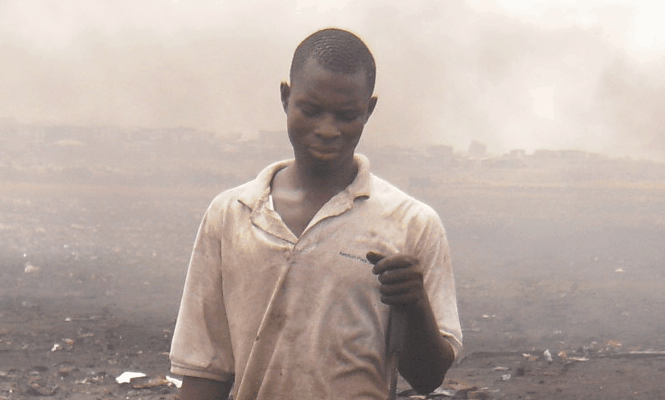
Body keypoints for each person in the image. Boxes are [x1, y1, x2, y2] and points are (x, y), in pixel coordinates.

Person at [169, 28, 461, 400]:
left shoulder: (411, 224)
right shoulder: (232, 214)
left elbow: (427, 377)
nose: (327, 130)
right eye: (311, 110)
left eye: (347, 115)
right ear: (286, 98)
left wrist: (415, 304)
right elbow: (205, 371)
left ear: (368, 111)